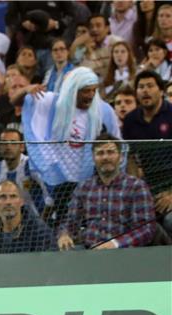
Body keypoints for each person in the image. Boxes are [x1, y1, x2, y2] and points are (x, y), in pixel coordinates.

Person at [18, 67, 122, 228]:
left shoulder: (104, 111)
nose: (90, 95)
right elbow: (16, 101)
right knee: (63, 225)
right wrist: (26, 89)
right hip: (62, 181)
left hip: (95, 179)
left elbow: (119, 144)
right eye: (85, 91)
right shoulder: (52, 103)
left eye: (93, 91)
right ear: (72, 89)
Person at [59, 134, 156, 250]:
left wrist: (115, 244)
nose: (105, 157)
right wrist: (64, 235)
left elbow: (146, 229)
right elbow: (70, 221)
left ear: (120, 157)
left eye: (110, 152)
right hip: (89, 250)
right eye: (100, 153)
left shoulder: (136, 187)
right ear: (93, 158)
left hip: (125, 252)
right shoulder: (83, 187)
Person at [122, 70, 172, 234]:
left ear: (161, 90)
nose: (145, 90)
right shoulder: (130, 120)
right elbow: (130, 157)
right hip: (147, 187)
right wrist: (138, 191)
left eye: (150, 86)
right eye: (141, 87)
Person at [0, 180, 56, 254]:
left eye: (13, 196)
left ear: (21, 201)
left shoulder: (39, 231)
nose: (8, 202)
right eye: (2, 197)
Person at [0, 128, 49, 214]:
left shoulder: (32, 166)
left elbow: (48, 196)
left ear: (22, 147)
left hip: (35, 219)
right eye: (4, 143)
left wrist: (44, 221)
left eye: (13, 143)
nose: (8, 147)